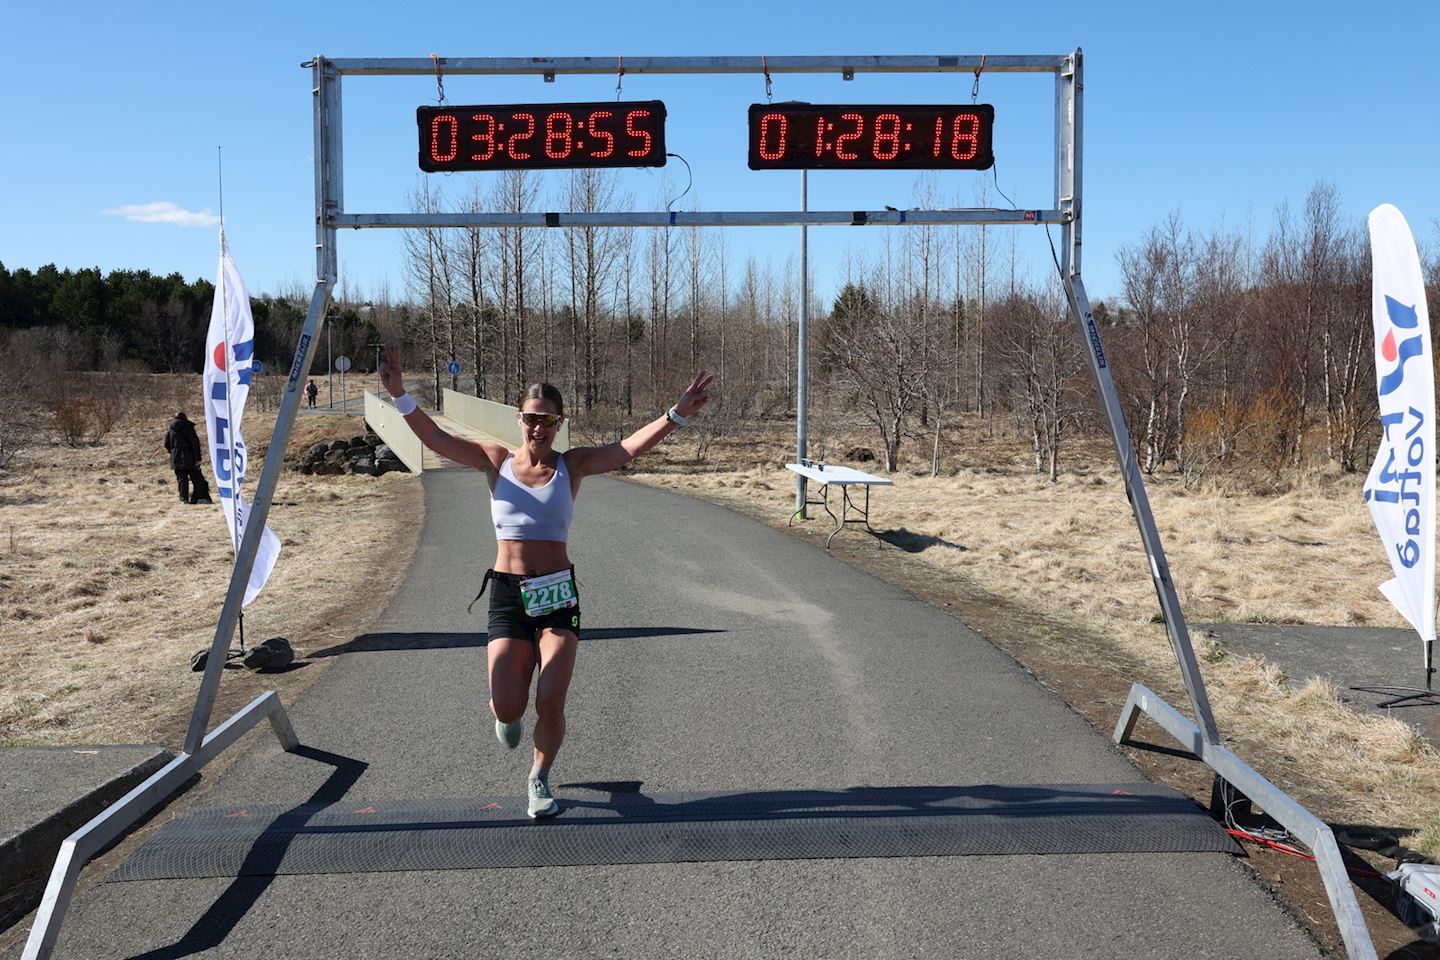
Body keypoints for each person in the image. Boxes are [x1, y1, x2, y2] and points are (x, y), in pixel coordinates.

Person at [378, 345, 713, 819]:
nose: (539, 428)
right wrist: (399, 395)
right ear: (519, 419)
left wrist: (676, 414)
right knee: (509, 708)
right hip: (508, 595)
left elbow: (627, 449)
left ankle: (539, 778)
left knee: (551, 698)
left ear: (559, 424)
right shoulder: (493, 460)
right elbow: (436, 439)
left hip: (557, 596)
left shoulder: (570, 466)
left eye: (548, 421)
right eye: (532, 418)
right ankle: (505, 714)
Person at [163, 411, 210, 505]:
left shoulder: (170, 430)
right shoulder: (189, 428)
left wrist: (172, 453)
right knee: (196, 478)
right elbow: (195, 444)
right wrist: (198, 458)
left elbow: (166, 444)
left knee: (181, 479)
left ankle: (183, 499)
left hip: (176, 458)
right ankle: (198, 498)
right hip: (189, 457)